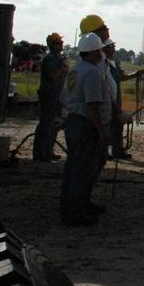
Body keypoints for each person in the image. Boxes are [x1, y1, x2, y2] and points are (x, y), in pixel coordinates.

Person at [60, 32, 108, 226]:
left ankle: (77, 205)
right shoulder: (92, 73)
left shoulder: (76, 69)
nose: (101, 54)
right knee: (83, 170)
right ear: (95, 52)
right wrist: (102, 131)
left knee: (73, 167)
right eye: (100, 50)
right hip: (85, 124)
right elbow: (93, 106)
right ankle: (75, 214)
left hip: (72, 121)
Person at [33, 33, 67, 162]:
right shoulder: (49, 59)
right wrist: (62, 66)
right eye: (58, 43)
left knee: (54, 125)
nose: (61, 45)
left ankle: (48, 151)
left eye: (61, 43)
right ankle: (39, 153)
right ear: (52, 45)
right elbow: (53, 76)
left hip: (57, 96)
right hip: (49, 95)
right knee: (45, 124)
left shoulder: (58, 58)